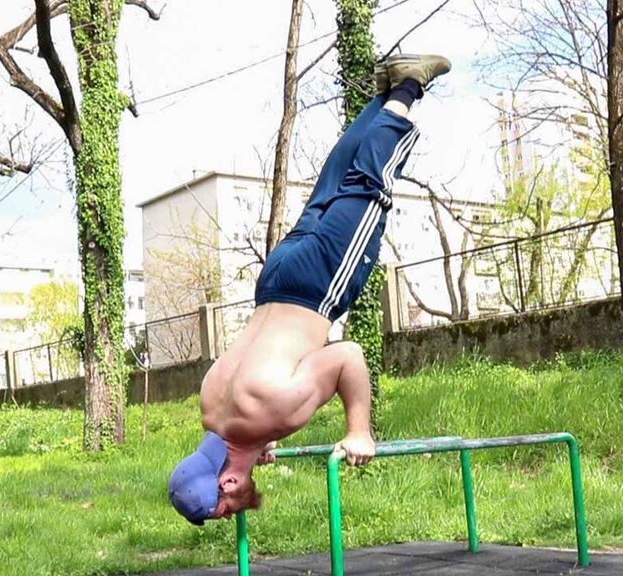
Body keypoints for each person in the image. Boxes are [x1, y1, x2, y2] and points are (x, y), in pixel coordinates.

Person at [168, 54, 452, 525]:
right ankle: (381, 94)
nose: (234, 509)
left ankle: (406, 89)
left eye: (227, 509)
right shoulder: (212, 404)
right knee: (332, 185)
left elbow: (348, 358)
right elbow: (252, 390)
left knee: (368, 188)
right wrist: (258, 442)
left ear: (229, 483)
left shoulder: (271, 414)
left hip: (318, 286)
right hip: (276, 279)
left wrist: (358, 431)